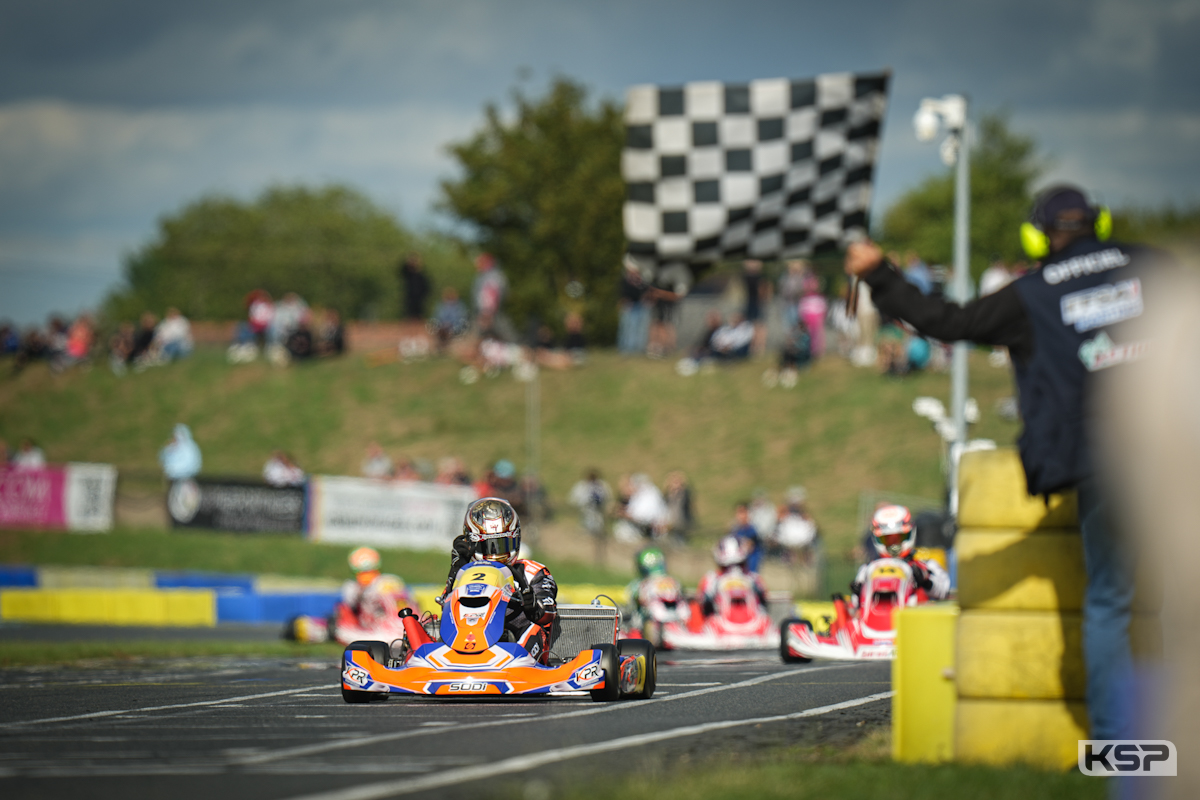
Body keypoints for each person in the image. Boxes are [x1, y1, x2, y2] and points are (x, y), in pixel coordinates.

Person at [843, 184, 1169, 741]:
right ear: (1103, 224)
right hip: (1176, 443)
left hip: (1106, 459)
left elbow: (947, 322)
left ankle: (1121, 747)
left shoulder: (1032, 295)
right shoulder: (1157, 266)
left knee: (1111, 600)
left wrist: (879, 273)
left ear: (1035, 237)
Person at [437, 497, 558, 664]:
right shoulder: (465, 572)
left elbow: (548, 612)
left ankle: (523, 665)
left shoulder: (533, 571)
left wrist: (533, 605)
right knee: (424, 623)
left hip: (516, 641)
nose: (497, 554)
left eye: (503, 545)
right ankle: (440, 659)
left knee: (535, 627)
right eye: (489, 546)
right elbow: (446, 604)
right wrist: (456, 569)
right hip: (468, 634)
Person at [851, 505, 950, 602]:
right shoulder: (868, 570)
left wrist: (926, 582)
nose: (894, 544)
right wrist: (860, 592)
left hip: (914, 615)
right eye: (888, 539)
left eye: (898, 538)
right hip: (877, 614)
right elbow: (855, 602)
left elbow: (944, 589)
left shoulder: (925, 566)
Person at [698, 536, 768, 617]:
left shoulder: (753, 579)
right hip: (721, 623)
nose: (733, 569)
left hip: (752, 624)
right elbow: (703, 606)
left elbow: (763, 603)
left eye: (738, 564)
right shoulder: (711, 580)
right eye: (727, 566)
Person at [617, 255, 651, 355]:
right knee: (628, 327)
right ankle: (626, 348)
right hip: (629, 306)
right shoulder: (625, 280)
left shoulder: (642, 280)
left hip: (640, 305)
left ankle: (638, 348)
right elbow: (622, 293)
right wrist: (625, 301)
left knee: (640, 328)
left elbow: (646, 291)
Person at [728, 502, 762, 573]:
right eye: (738, 513)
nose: (740, 516)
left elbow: (747, 547)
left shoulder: (752, 530)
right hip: (737, 570)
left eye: (742, 512)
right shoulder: (735, 530)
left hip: (750, 570)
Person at [398, 252, 431, 321]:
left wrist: (423, 296)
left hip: (419, 299)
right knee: (409, 315)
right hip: (410, 298)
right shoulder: (409, 275)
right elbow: (402, 270)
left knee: (418, 316)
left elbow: (427, 288)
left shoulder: (422, 276)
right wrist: (408, 262)